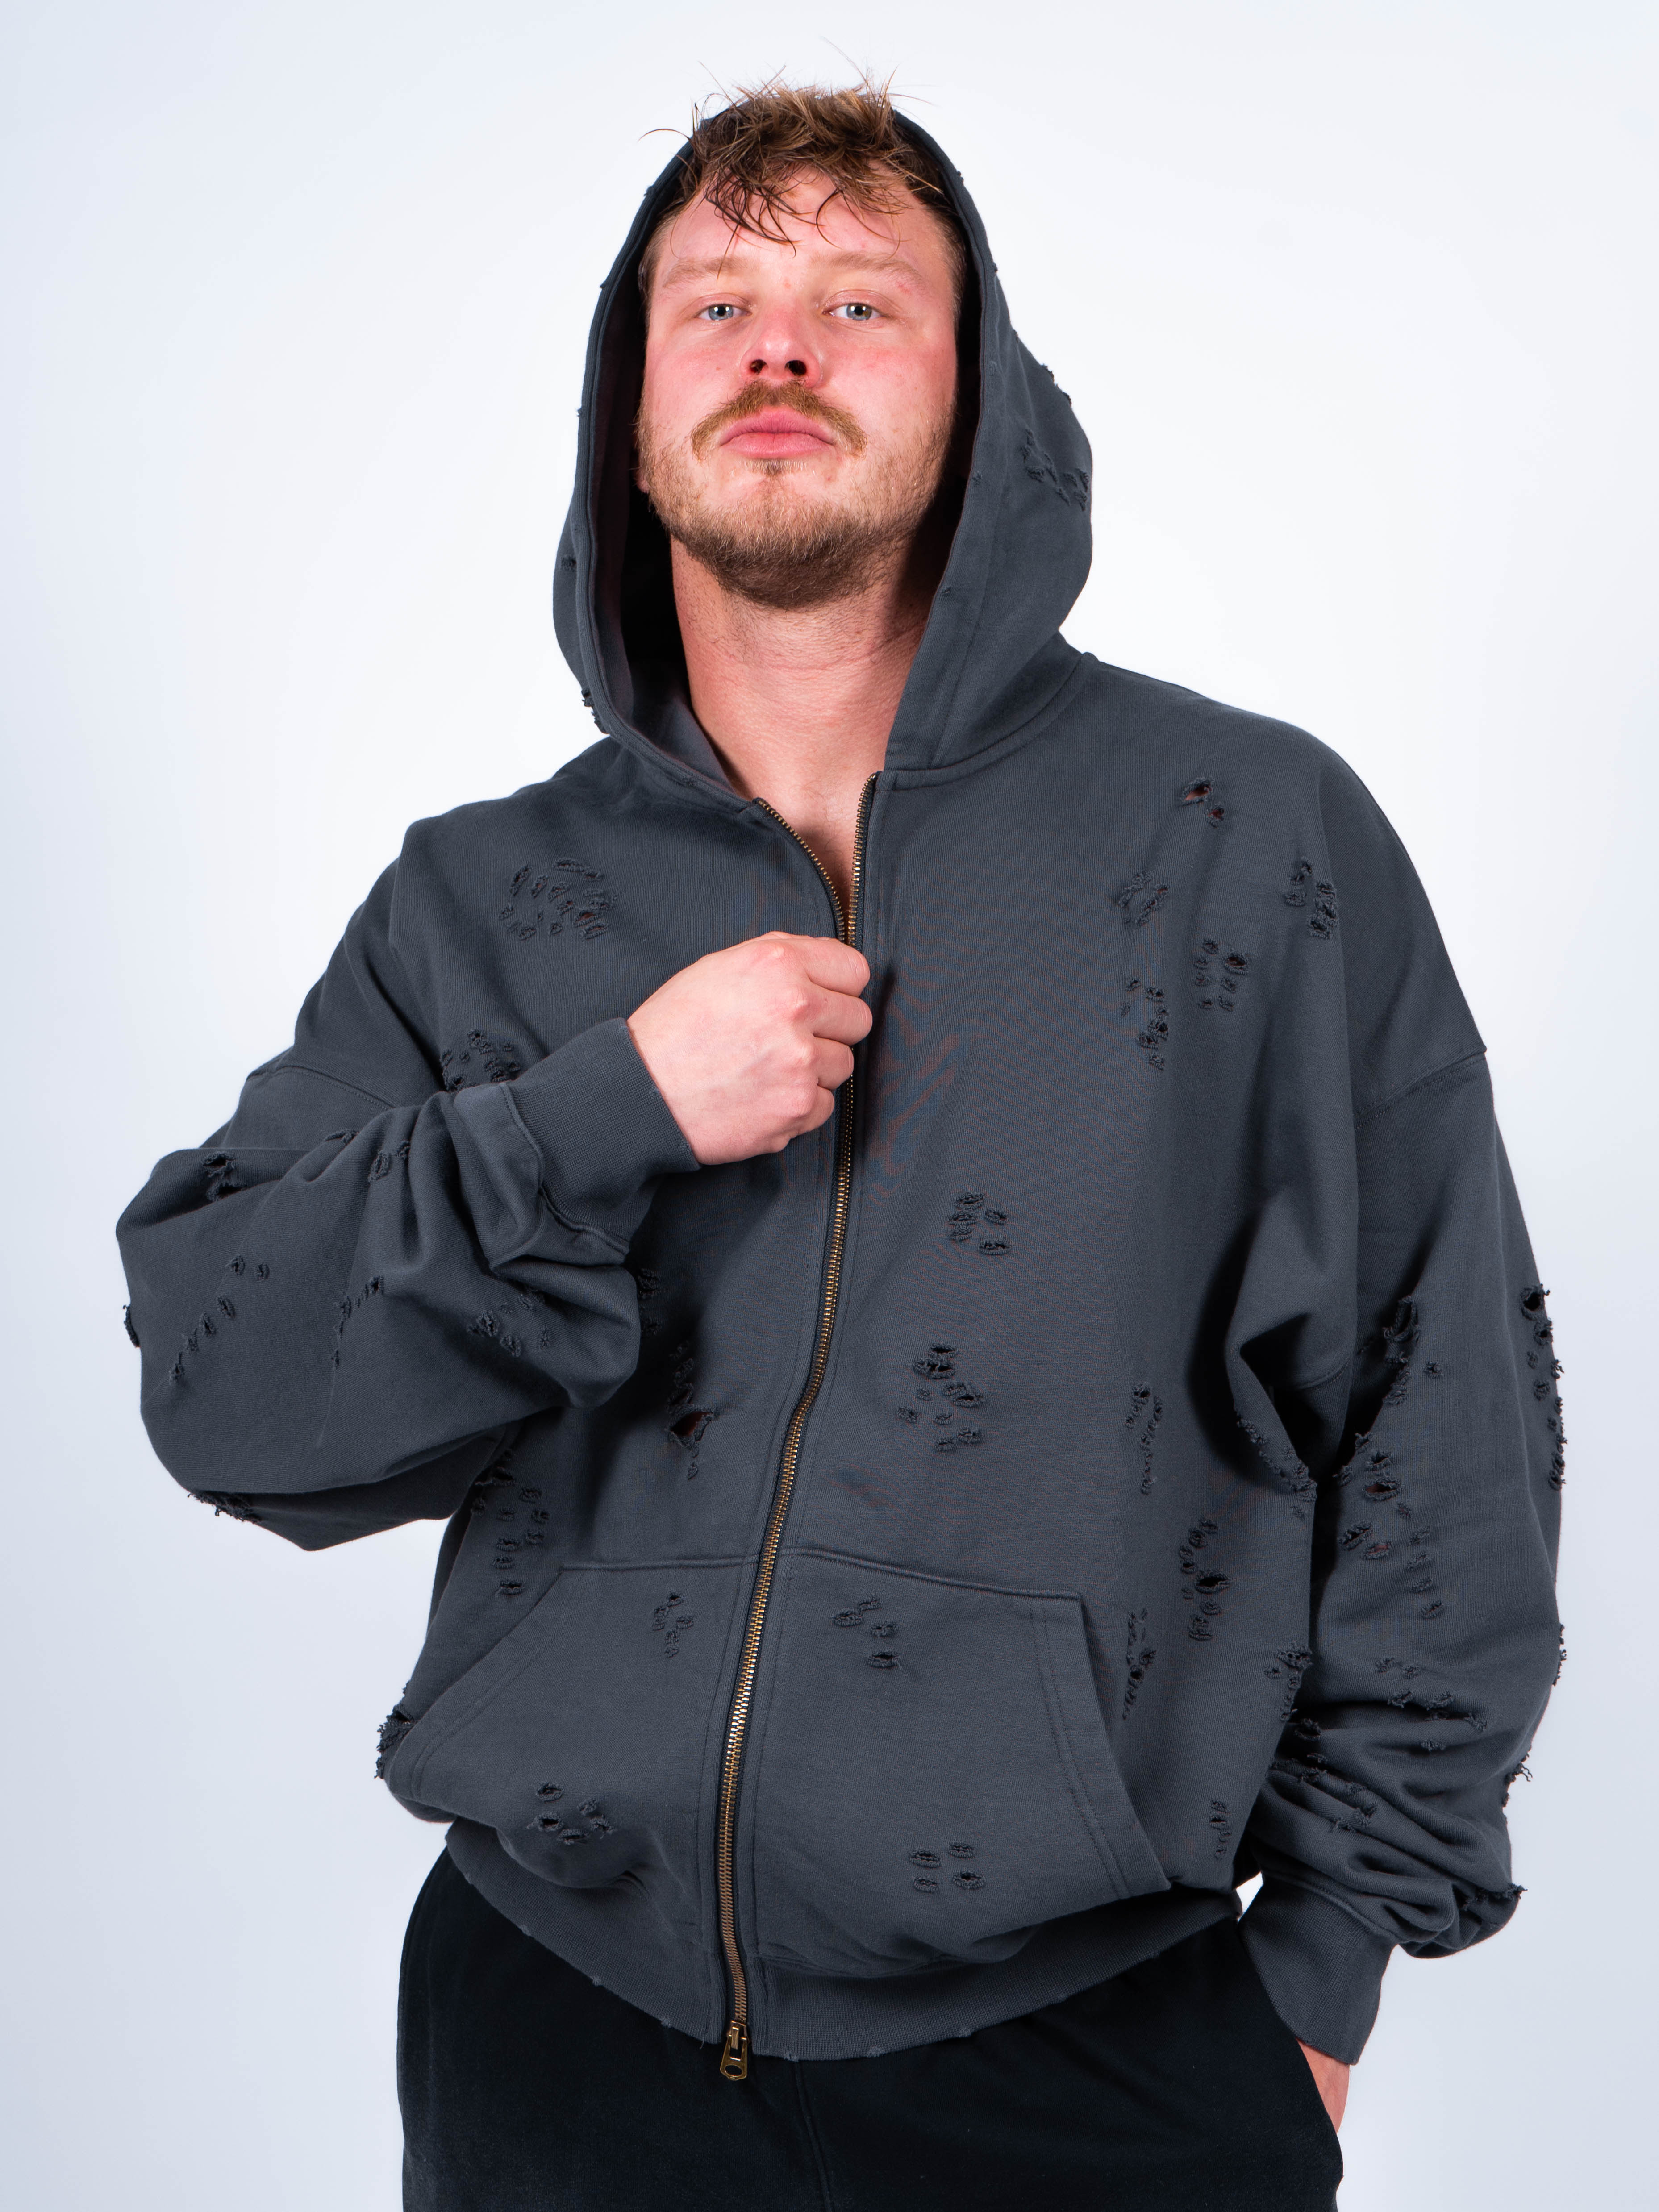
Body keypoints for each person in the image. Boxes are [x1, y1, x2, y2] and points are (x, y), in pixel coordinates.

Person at [117, 80, 1565, 2212]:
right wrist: (604, 1112)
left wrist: (1325, 1970)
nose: (778, 346)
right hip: (554, 2028)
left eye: (860, 301)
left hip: (1097, 2051)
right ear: (629, 412)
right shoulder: (475, 902)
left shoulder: (1247, 843)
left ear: (983, 403)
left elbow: (1446, 1425)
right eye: (714, 303)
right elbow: (227, 1385)